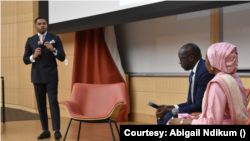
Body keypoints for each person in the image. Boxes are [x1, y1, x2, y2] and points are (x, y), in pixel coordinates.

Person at [169, 42, 249, 125]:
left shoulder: (217, 84)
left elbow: (212, 123)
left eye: (207, 59)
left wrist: (182, 122)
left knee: (171, 122)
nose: (205, 62)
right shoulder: (235, 78)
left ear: (214, 63)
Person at [23, 17, 66, 139]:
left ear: (47, 25)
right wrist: (33, 56)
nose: (42, 25)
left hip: (51, 76)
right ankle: (45, 130)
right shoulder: (30, 40)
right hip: (37, 76)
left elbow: (62, 57)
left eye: (44, 23)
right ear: (35, 26)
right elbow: (25, 60)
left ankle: (57, 130)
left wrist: (53, 50)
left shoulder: (55, 38)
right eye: (39, 24)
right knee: (41, 104)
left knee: (53, 102)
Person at [156, 43, 214, 125]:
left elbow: (200, 105)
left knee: (168, 116)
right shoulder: (194, 72)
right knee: (161, 117)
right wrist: (171, 107)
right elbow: (190, 103)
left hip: (204, 112)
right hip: (197, 108)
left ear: (191, 58)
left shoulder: (204, 71)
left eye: (181, 58)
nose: (179, 62)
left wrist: (170, 110)